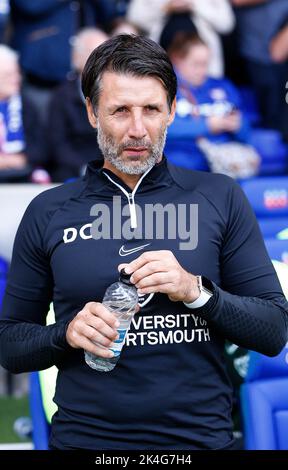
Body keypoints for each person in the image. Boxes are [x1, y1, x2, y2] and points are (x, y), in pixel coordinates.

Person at [0, 34, 287, 451]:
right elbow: (10, 344)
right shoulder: (50, 210)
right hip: (87, 444)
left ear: (172, 111)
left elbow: (274, 330)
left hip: (199, 443)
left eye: (151, 109)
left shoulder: (220, 196)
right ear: (92, 112)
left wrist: (196, 292)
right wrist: (66, 334)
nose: (137, 130)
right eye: (120, 111)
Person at [166, 32, 260, 177]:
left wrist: (238, 125)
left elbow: (247, 135)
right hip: (181, 160)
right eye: (196, 64)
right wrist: (208, 126)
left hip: (223, 162)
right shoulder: (164, 87)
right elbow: (160, 128)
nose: (202, 70)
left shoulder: (223, 85)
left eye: (206, 64)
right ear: (177, 60)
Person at [47, 28, 108, 182]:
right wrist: (85, 168)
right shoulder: (62, 95)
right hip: (72, 171)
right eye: (95, 54)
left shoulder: (116, 93)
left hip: (110, 168)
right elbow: (58, 143)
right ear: (78, 57)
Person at [0, 45, 46, 182]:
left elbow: (42, 148)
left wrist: (21, 159)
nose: (17, 79)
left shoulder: (26, 105)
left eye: (17, 73)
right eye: (8, 75)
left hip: (21, 175)